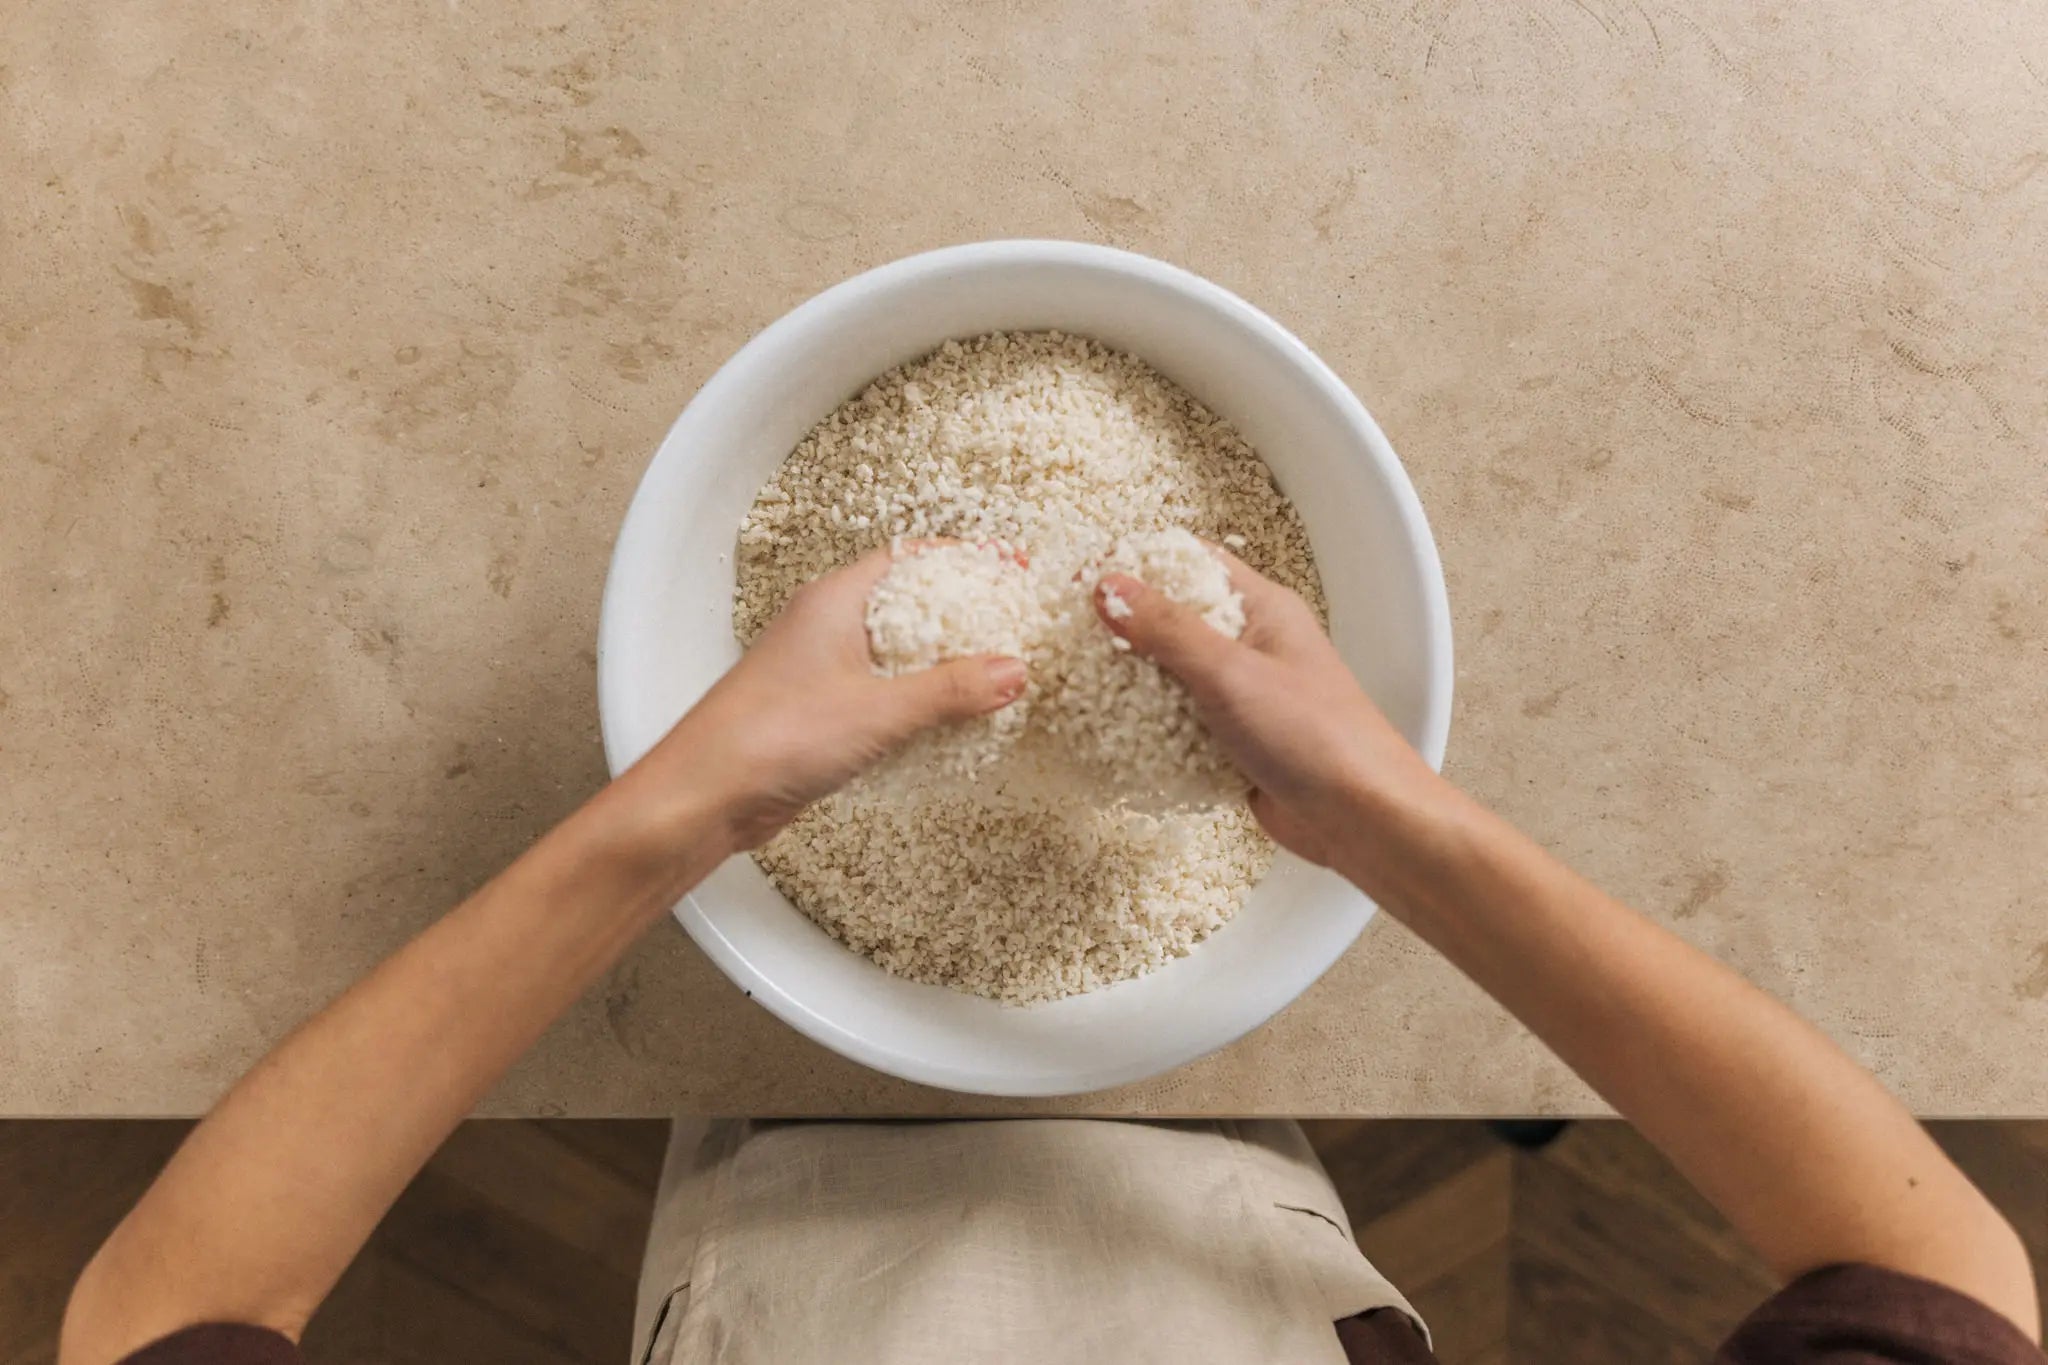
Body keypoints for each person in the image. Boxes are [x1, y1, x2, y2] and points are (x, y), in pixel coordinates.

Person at [60, 545, 2042, 1365]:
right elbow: (1930, 1275)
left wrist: (699, 806)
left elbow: (171, 1299)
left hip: (778, 1257)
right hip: (1230, 1229)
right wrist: (1378, 818)